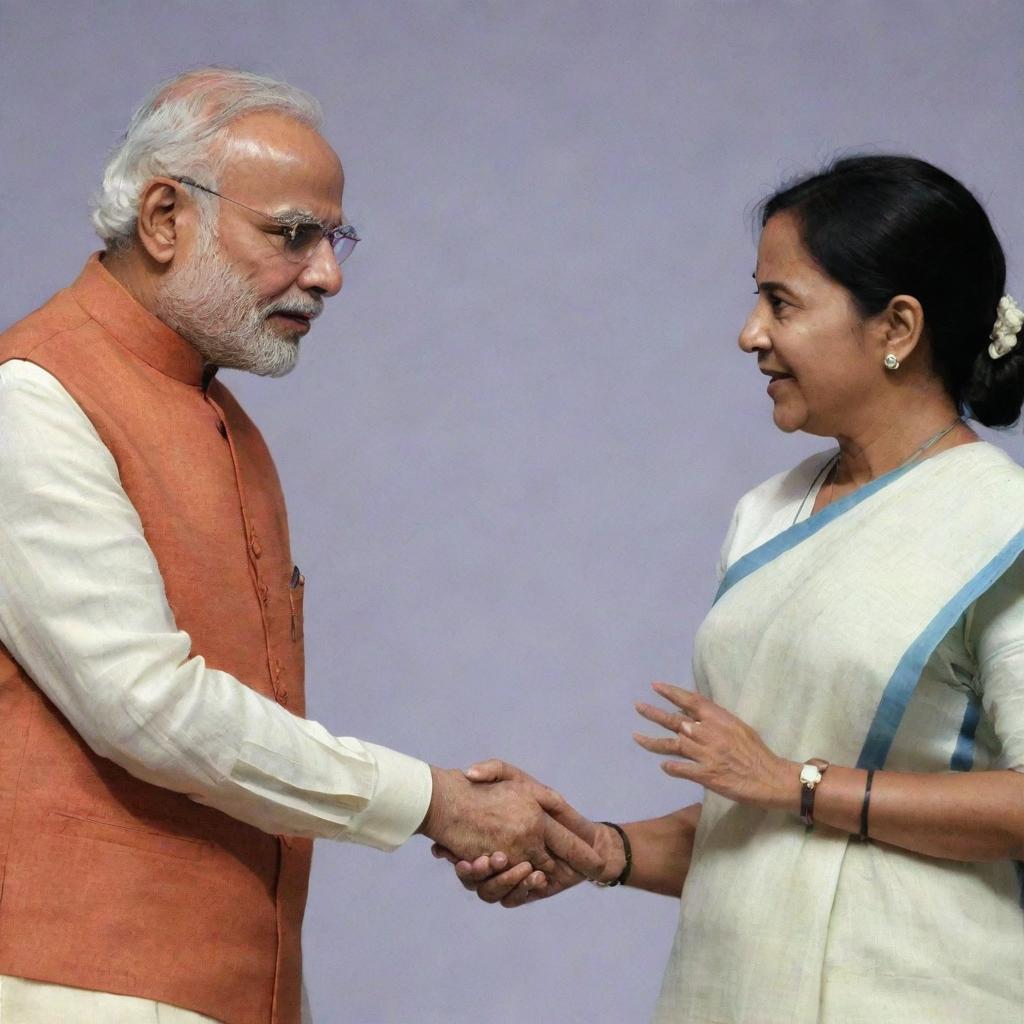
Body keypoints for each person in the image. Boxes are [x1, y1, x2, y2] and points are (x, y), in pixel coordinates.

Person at [0, 68, 602, 1024]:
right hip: (83, 988)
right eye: (292, 235)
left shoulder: (218, 417)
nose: (327, 274)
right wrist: (434, 801)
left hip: (235, 984)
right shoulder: (32, 398)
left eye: (335, 238)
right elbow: (145, 708)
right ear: (164, 217)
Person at [443, 155, 1024, 1024]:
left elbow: (785, 789)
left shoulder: (1000, 523)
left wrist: (793, 781)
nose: (750, 333)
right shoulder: (769, 513)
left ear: (897, 325)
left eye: (781, 303)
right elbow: (755, 821)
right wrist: (599, 849)